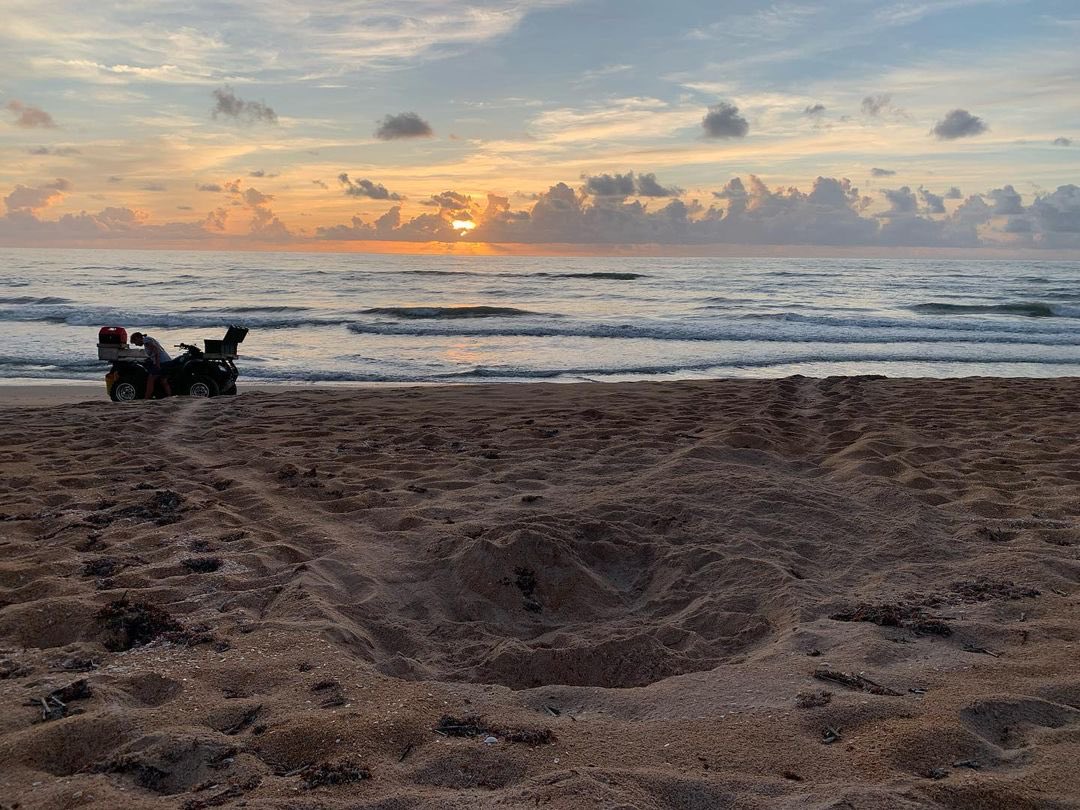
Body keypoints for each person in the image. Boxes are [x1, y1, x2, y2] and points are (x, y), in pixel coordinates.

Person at [130, 331, 173, 398]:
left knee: (150, 379)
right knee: (163, 381)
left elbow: (156, 350)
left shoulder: (145, 340)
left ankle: (146, 398)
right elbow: (154, 351)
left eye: (135, 342)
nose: (136, 345)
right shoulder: (148, 339)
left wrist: (157, 363)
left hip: (162, 362)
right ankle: (170, 397)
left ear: (137, 338)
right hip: (167, 361)